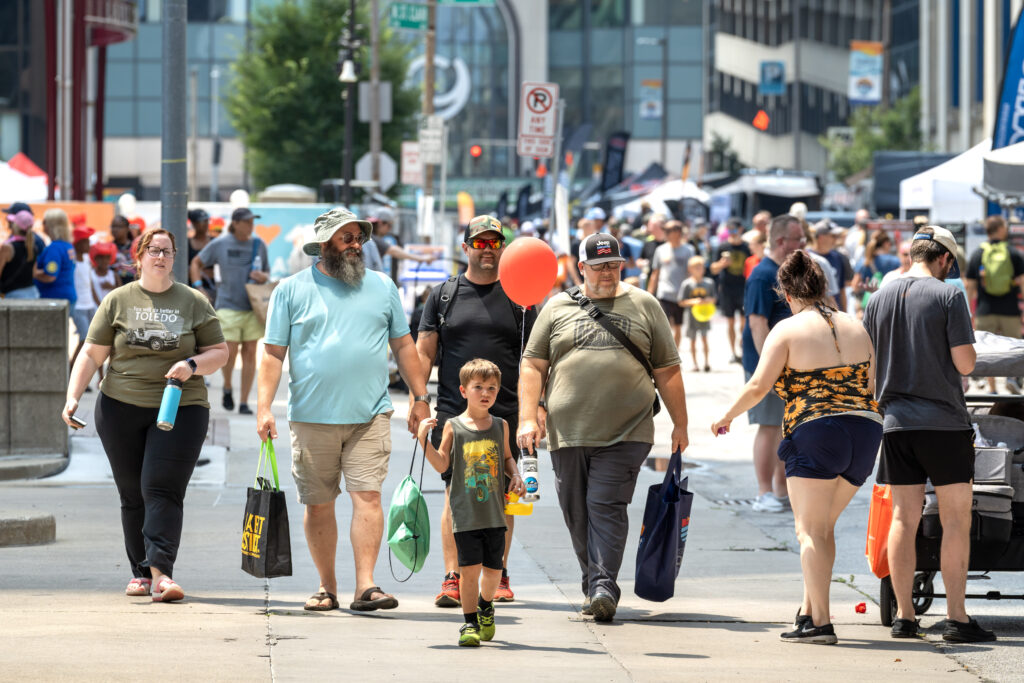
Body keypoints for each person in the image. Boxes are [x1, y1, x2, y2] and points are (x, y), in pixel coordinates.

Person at [256, 207, 430, 613]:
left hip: (370, 415)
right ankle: (326, 587)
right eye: (345, 238)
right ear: (324, 245)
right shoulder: (291, 290)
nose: (355, 245)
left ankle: (366, 586)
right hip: (311, 416)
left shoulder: (383, 287)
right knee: (318, 503)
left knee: (367, 496)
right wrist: (264, 408)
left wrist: (420, 397)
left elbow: (403, 346)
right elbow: (272, 355)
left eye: (358, 238)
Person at [518, 232, 690, 623]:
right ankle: (594, 581)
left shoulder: (645, 305)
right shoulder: (557, 307)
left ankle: (604, 586)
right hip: (567, 432)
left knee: (605, 505)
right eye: (598, 267)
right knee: (576, 511)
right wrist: (528, 415)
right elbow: (532, 365)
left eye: (613, 264)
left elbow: (668, 369)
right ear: (581, 268)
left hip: (627, 431)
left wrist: (680, 423)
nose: (607, 273)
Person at [713, 251, 882, 645]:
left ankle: (821, 623)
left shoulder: (787, 330)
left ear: (786, 293)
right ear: (824, 287)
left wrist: (726, 416)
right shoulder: (857, 326)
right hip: (865, 431)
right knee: (823, 528)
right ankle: (808, 612)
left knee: (808, 531)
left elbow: (757, 386)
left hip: (816, 430)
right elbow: (872, 384)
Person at [62, 228, 228, 603]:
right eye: (153, 250)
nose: (161, 257)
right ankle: (140, 571)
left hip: (180, 408)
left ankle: (161, 574)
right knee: (132, 492)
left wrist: (191, 363)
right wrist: (73, 397)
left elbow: (220, 352)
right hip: (119, 406)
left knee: (160, 486)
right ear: (138, 257)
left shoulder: (193, 301)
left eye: (168, 251)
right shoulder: (117, 300)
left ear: (174, 257)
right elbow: (91, 353)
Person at [864, 225, 996, 643]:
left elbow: (869, 369)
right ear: (945, 259)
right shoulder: (949, 295)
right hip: (943, 423)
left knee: (904, 517)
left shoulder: (878, 297)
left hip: (895, 424)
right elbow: (965, 364)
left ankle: (905, 616)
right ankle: (957, 618)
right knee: (955, 520)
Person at [416, 215, 537, 607]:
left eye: (494, 243)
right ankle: (454, 576)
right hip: (455, 413)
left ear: (503, 247)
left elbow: (537, 359)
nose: (488, 250)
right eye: (479, 244)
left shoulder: (521, 297)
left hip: (507, 415)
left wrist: (538, 411)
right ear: (466, 247)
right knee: (456, 495)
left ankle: (497, 574)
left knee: (503, 495)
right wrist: (419, 398)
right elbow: (424, 351)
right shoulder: (444, 295)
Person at [416, 359, 526, 647]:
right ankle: (469, 623)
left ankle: (485, 605)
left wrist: (515, 475)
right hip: (465, 515)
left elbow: (505, 458)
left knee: (493, 572)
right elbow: (442, 464)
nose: (485, 393)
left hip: (494, 514)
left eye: (491, 387)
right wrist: (423, 441)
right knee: (469, 571)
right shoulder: (454, 427)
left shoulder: (500, 425)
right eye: (478, 387)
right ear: (464, 391)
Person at [742, 214, 805, 512]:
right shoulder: (762, 275)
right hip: (767, 367)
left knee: (784, 427)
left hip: (786, 368)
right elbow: (757, 325)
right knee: (768, 427)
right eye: (798, 239)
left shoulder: (781, 272)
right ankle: (764, 492)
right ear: (781, 241)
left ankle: (781, 491)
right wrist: (770, 368)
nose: (803, 244)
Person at [191, 207, 270, 415]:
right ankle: (227, 386)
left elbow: (267, 272)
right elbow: (196, 262)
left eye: (252, 222)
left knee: (251, 353)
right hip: (227, 305)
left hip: (252, 306)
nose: (250, 226)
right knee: (230, 352)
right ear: (235, 223)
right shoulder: (220, 243)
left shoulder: (258, 244)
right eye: (246, 222)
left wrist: (262, 276)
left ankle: (244, 401)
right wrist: (199, 286)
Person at [965, 215, 1024, 394]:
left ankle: (991, 388)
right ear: (999, 229)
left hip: (985, 309)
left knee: (987, 351)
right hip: (1010, 310)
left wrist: (969, 312)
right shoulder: (1013, 253)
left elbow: (970, 286)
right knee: (1014, 348)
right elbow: (1022, 281)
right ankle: (1011, 379)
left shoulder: (978, 254)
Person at [647, 220, 695, 348]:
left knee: (678, 327)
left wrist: (691, 292)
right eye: (665, 230)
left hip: (681, 294)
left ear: (678, 232)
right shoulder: (660, 250)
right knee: (664, 326)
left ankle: (675, 354)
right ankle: (666, 353)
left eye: (668, 231)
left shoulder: (688, 250)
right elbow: (655, 273)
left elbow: (692, 272)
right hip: (664, 293)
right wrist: (649, 294)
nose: (665, 233)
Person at [709, 218, 751, 362]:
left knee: (744, 321)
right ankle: (734, 352)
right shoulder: (723, 247)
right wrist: (722, 264)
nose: (731, 233)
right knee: (730, 322)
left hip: (744, 288)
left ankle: (742, 345)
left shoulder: (747, 247)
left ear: (740, 230)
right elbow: (713, 269)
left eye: (734, 230)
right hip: (727, 289)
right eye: (729, 230)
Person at [33, 209, 77, 312]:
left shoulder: (55, 248)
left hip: (55, 299)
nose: (42, 224)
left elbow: (50, 276)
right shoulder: (67, 246)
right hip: (66, 296)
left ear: (51, 225)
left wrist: (33, 273)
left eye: (45, 222)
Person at [678, 255, 716, 372]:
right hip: (691, 316)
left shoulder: (709, 283)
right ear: (690, 269)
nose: (699, 270)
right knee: (692, 340)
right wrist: (694, 301)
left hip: (704, 315)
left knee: (704, 338)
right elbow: (681, 301)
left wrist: (707, 300)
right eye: (696, 268)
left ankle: (706, 362)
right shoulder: (687, 284)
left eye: (701, 268)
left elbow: (714, 298)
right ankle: (695, 363)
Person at [0, 204, 45, 298]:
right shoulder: (34, 245)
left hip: (14, 295)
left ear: (14, 224)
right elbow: (34, 273)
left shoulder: (8, 247)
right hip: (32, 293)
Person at [70, 226, 99, 371]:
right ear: (78, 243)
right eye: (86, 242)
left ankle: (82, 371)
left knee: (92, 341)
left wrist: (97, 302)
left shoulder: (87, 258)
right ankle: (72, 370)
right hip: (78, 307)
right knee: (84, 340)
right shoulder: (72, 260)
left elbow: (90, 283)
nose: (89, 245)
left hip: (90, 305)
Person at [809, 219, 853, 312]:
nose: (836, 239)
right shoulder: (807, 257)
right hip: (814, 313)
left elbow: (842, 289)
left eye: (837, 236)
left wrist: (844, 312)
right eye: (833, 236)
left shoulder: (839, 257)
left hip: (834, 312)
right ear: (820, 237)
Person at [852, 230, 900, 312]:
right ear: (886, 244)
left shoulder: (864, 261)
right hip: (888, 305)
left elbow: (855, 286)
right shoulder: (895, 261)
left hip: (868, 305)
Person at [187, 209, 216, 303]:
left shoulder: (215, 242)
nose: (205, 224)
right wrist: (199, 273)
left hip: (214, 289)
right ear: (194, 223)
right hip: (191, 289)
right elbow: (184, 269)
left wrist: (196, 271)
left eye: (207, 220)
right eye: (201, 221)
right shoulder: (186, 244)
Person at [637, 213, 667, 291]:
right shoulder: (648, 243)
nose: (649, 228)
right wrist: (642, 263)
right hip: (650, 281)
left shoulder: (669, 243)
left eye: (652, 226)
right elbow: (639, 260)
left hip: (666, 283)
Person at [109, 215, 137, 284]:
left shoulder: (136, 247)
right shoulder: (108, 248)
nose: (115, 229)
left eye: (119, 227)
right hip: (114, 288)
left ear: (127, 228)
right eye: (113, 226)